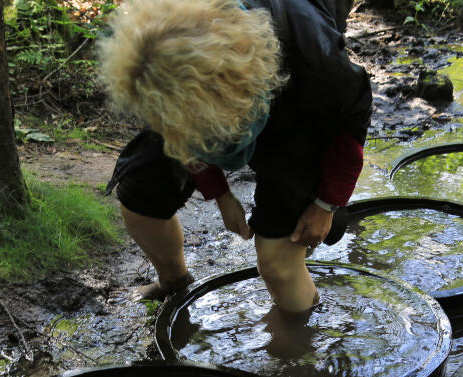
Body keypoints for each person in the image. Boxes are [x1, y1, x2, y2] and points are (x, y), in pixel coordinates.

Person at [99, 0, 372, 313]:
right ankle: (173, 282)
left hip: (291, 73)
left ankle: (303, 336)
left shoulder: (316, 57)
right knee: (141, 188)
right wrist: (220, 193)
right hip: (212, 83)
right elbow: (182, 138)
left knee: (277, 264)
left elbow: (351, 123)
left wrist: (325, 203)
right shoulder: (163, 63)